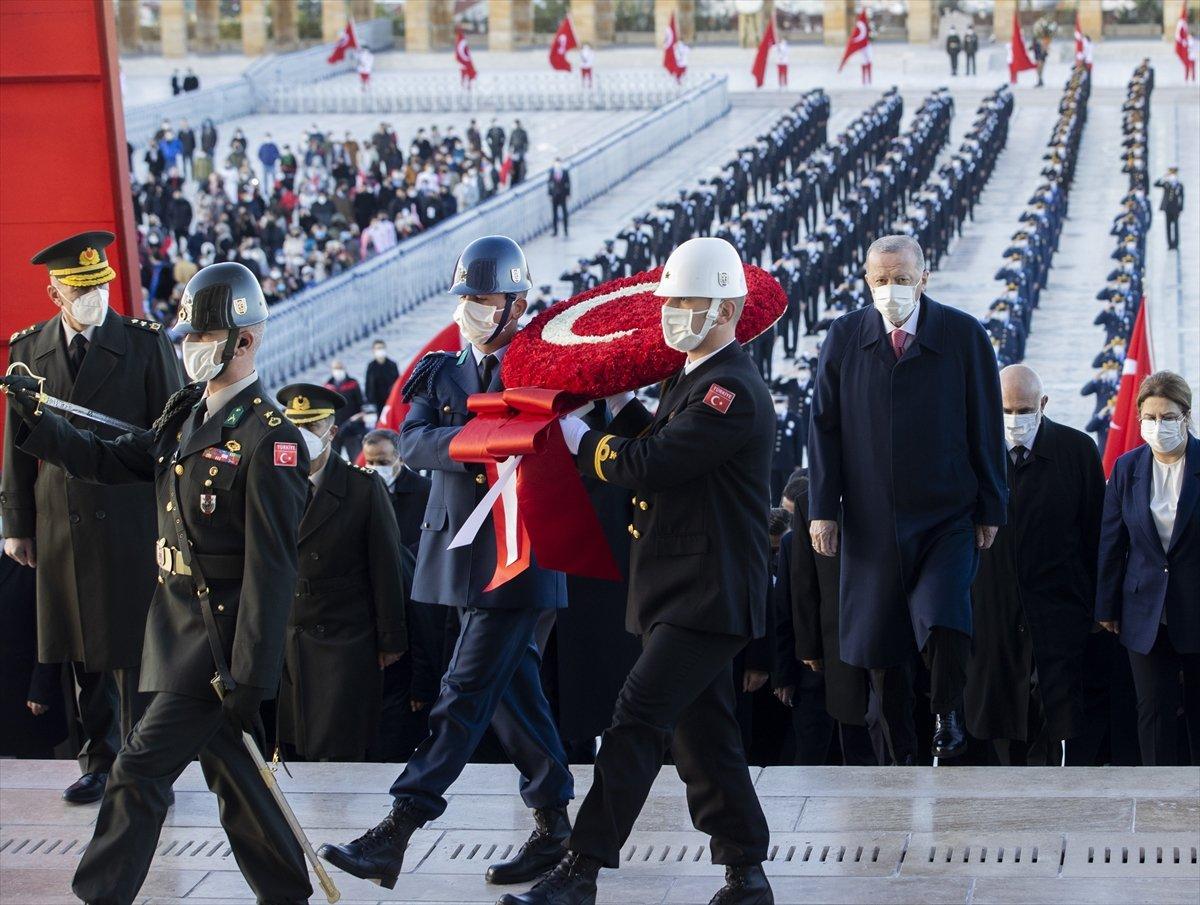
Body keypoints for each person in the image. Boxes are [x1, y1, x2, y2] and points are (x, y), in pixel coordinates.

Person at [1, 262, 313, 905]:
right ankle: (287, 892)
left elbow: (272, 565)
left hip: (219, 645)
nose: (192, 349)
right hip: (172, 624)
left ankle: (99, 896)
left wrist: (252, 673)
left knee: (138, 770)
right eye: (189, 338)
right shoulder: (185, 416)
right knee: (235, 775)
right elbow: (114, 459)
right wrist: (37, 421)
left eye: (205, 337)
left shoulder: (270, 439)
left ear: (245, 341)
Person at [513, 237, 774, 905]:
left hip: (707, 593)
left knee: (633, 720)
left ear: (722, 307)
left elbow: (654, 464)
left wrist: (582, 441)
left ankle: (582, 868)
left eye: (684, 302)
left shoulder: (730, 389)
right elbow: (657, 435)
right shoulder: (692, 379)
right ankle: (746, 870)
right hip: (679, 588)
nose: (670, 314)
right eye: (670, 301)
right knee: (705, 734)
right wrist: (610, 407)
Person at [318, 237, 572, 890]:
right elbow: (413, 437)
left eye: (483, 300)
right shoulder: (438, 371)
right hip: (462, 554)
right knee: (513, 694)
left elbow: (542, 437)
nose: (471, 311)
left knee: (462, 689)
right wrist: (483, 440)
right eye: (465, 299)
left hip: (522, 553)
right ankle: (555, 825)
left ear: (516, 303)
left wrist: (470, 438)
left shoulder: (542, 363)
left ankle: (399, 825)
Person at [808, 234, 1006, 762]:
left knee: (945, 617)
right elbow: (823, 426)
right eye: (880, 280)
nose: (890, 290)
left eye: (900, 279)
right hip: (872, 519)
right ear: (866, 281)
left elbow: (985, 422)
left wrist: (991, 504)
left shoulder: (962, 335)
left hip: (947, 513)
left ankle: (947, 710)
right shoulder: (846, 336)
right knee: (882, 643)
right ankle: (902, 753)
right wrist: (822, 508)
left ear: (924, 278)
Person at [1, 231, 183, 805]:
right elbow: (16, 445)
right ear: (55, 292)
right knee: (81, 646)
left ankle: (144, 761)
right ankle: (98, 759)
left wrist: (172, 519)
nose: (94, 297)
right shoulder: (28, 349)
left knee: (136, 645)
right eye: (80, 289)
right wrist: (18, 524)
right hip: (63, 516)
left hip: (131, 512)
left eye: (100, 285)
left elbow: (171, 437)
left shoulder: (145, 343)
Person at [965, 365, 1105, 766]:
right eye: (1006, 409)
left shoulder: (1077, 451)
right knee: (998, 725)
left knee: (1058, 722)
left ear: (1043, 404)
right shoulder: (973, 451)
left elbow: (1094, 534)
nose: (1015, 419)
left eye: (1024, 409)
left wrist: (1094, 605)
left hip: (1059, 613)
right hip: (991, 615)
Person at [274, 383, 407, 762]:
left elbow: (386, 566)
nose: (301, 436)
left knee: (337, 746)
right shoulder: (272, 481)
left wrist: (391, 638)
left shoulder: (362, 488)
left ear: (331, 432)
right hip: (287, 633)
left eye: (311, 426)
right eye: (293, 425)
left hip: (344, 638)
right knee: (291, 749)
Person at [1097, 371, 1199, 766]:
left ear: (1185, 417)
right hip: (1144, 613)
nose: (1159, 426)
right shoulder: (1127, 468)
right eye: (1151, 418)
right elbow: (1112, 540)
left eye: (1168, 417)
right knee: (1152, 711)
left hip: (1195, 605)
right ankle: (1155, 795)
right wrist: (1105, 607)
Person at [775, 470, 876, 766]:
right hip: (828, 649)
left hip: (880, 640)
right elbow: (799, 590)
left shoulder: (884, 493)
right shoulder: (807, 511)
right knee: (831, 741)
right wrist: (806, 649)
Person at [324, 359, 366, 458]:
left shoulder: (353, 383)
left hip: (351, 428)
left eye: (340, 368)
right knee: (333, 458)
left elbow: (361, 404)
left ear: (344, 369)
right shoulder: (328, 386)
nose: (338, 371)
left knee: (355, 458)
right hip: (334, 429)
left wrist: (359, 417)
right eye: (336, 368)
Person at [1153, 167, 1185, 251]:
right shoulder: (1166, 183)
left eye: (1174, 174)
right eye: (1171, 174)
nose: (1173, 176)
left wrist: (1181, 208)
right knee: (1168, 226)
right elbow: (1155, 184)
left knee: (1176, 227)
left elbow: (1182, 197)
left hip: (1175, 209)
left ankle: (1176, 244)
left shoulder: (1179, 185)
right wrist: (1164, 177)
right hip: (1167, 208)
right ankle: (1170, 244)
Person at [365, 339, 400, 413]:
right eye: (378, 348)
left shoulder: (392, 365)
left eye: (382, 348)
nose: (380, 350)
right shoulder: (371, 366)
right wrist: (370, 400)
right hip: (377, 402)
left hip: (391, 400)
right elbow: (368, 385)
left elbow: (398, 382)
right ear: (373, 350)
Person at [549, 157, 571, 238]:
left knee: (564, 213)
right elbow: (549, 184)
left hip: (563, 195)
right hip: (554, 196)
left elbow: (568, 184)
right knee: (554, 214)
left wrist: (568, 194)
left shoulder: (565, 172)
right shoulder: (552, 172)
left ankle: (565, 230)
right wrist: (550, 194)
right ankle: (555, 231)